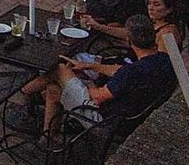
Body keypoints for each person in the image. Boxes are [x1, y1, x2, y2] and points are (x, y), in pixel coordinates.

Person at [39, 15, 177, 131]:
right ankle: (47, 138)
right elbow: (121, 71)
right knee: (53, 90)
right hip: (136, 114)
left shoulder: (131, 72)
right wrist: (90, 66)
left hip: (105, 120)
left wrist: (89, 83)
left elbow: (98, 97)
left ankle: (26, 90)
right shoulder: (165, 60)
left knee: (61, 68)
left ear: (128, 40)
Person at [83, 0, 182, 53]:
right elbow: (130, 33)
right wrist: (99, 26)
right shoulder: (155, 23)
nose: (150, 8)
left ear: (169, 9)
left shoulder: (168, 34)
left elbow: (163, 66)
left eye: (156, 5)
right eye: (149, 3)